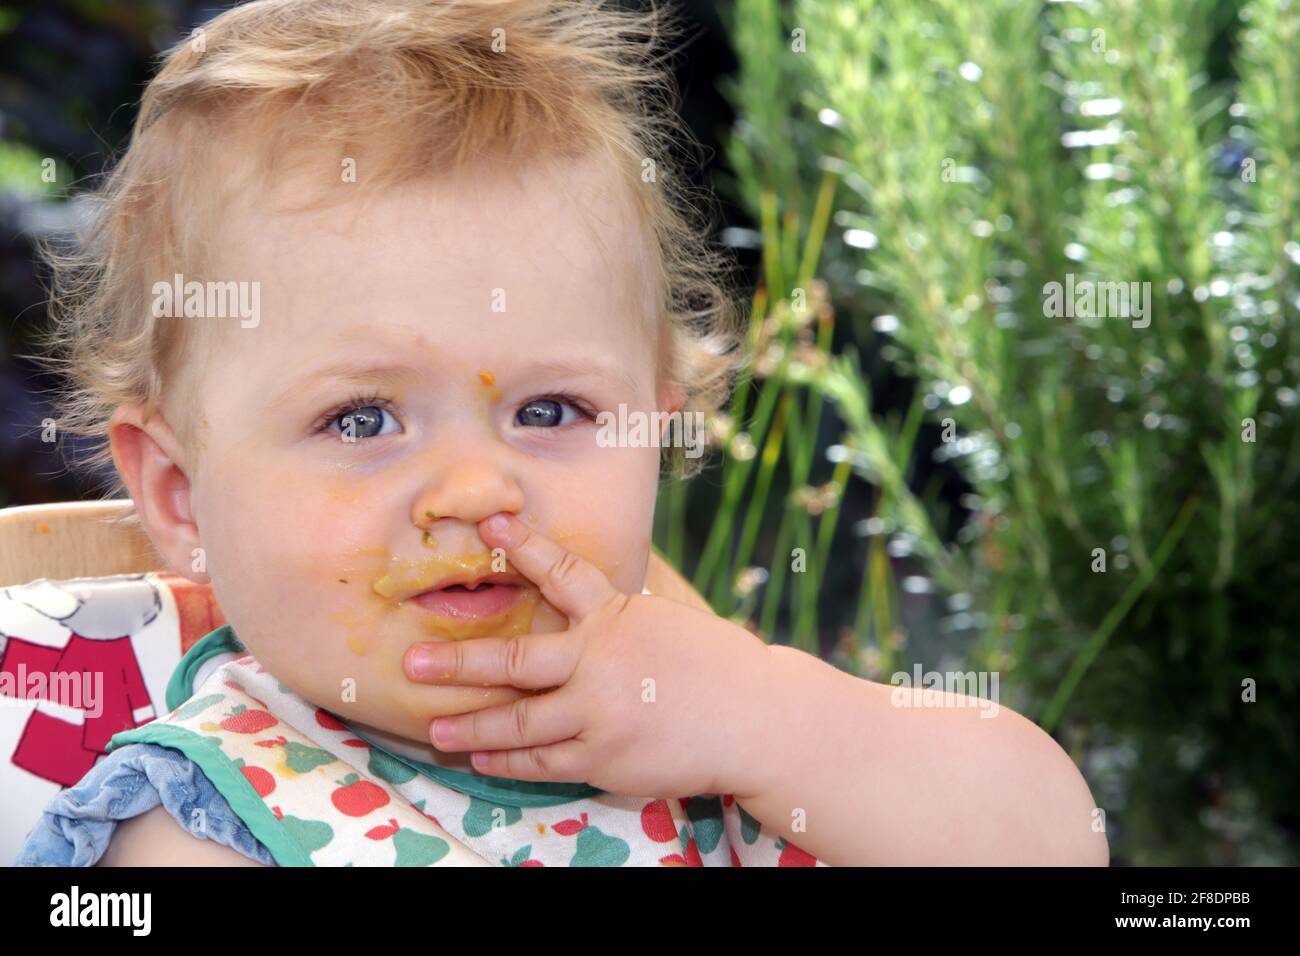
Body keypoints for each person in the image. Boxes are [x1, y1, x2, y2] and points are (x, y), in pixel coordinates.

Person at [16, 0, 1106, 867]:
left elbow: (1058, 842)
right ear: (178, 495)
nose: (475, 488)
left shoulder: (715, 725)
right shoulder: (199, 819)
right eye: (360, 417)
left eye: (550, 411)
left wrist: (777, 720)